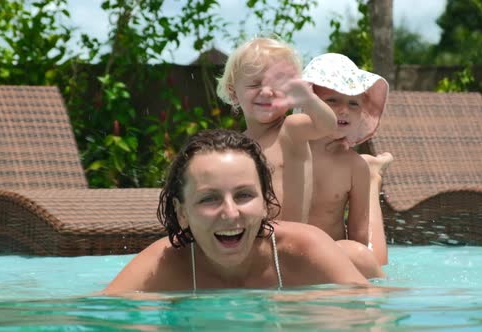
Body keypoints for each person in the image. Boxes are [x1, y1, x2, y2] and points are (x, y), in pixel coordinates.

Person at [103, 129, 380, 294]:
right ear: (182, 212)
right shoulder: (162, 265)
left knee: (360, 258)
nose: (231, 213)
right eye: (209, 198)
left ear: (265, 203)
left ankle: (373, 176)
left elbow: (376, 316)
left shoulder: (306, 249)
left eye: (244, 195)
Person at [216, 37, 337, 224]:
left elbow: (328, 126)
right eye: (255, 85)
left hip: (292, 238)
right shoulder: (237, 146)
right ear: (233, 93)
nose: (266, 92)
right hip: (253, 238)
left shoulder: (291, 130)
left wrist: (308, 99)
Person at [300, 53, 393, 266]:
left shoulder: (352, 166)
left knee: (374, 263)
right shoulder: (286, 149)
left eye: (353, 103)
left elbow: (360, 240)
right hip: (293, 255)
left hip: (332, 257)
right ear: (307, 103)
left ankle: (372, 176)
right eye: (332, 100)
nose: (344, 110)